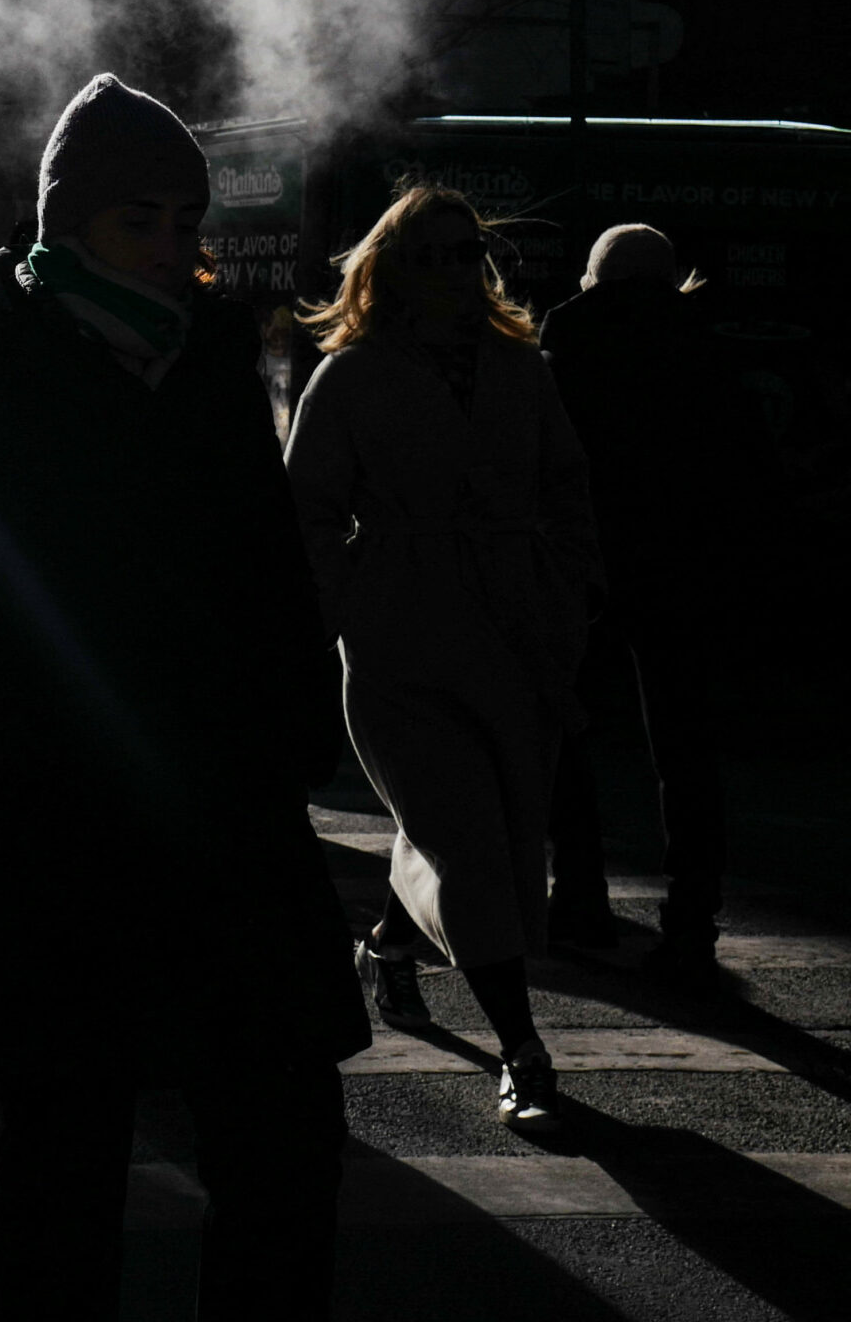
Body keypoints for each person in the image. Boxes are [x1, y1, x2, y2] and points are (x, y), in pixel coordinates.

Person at [0, 74, 368, 1320]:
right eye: (138, 220)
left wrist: (291, 732)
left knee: (283, 1145)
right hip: (54, 843)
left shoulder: (210, 373)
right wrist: (51, 716)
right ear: (66, 223)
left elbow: (271, 575)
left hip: (226, 827)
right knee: (63, 1166)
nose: (170, 249)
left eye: (185, 223)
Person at [288, 182, 601, 1130]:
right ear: (388, 270)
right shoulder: (347, 377)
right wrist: (337, 610)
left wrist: (569, 591)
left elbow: (568, 484)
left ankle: (389, 942)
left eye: (466, 252)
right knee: (466, 838)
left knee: (496, 832)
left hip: (515, 633)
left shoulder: (521, 366)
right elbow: (307, 510)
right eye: (428, 254)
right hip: (401, 641)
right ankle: (523, 1049)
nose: (452, 271)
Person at [542, 224, 748, 980]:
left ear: (596, 275)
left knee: (567, 726)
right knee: (685, 748)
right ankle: (691, 919)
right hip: (683, 567)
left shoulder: (568, 331)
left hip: (588, 559)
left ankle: (582, 894)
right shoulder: (709, 341)